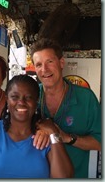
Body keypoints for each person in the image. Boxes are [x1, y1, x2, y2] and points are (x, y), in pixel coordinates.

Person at [0, 74, 74, 178]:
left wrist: (53, 132)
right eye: (15, 97)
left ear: (36, 101)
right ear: (7, 100)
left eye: (28, 97)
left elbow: (64, 177)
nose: (21, 102)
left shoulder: (46, 137)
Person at [30, 38, 101, 178]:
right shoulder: (30, 97)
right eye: (39, 64)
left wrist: (66, 137)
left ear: (61, 63)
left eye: (49, 62)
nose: (44, 69)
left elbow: (100, 143)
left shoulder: (86, 98)